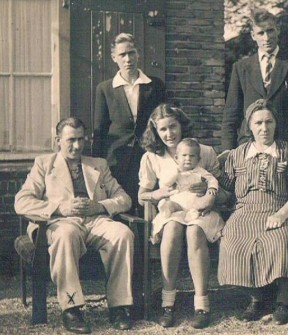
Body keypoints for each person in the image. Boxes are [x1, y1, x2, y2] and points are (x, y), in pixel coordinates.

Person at [14, 117, 134, 334]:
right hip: (60, 222)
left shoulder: (98, 165)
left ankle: (119, 306)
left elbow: (124, 199)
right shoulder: (44, 164)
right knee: (66, 234)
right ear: (58, 140)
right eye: (71, 140)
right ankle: (72, 308)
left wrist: (99, 206)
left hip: (96, 221)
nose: (77, 146)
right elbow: (22, 202)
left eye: (81, 140)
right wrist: (60, 208)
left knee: (122, 233)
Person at [138, 103, 224, 329]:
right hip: (173, 210)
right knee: (173, 229)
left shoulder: (203, 151)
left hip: (199, 209)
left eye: (173, 127)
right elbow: (142, 195)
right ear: (155, 131)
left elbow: (221, 190)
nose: (169, 134)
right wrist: (159, 193)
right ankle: (168, 303)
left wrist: (207, 191)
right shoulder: (152, 157)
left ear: (182, 125)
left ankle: (201, 305)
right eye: (163, 129)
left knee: (195, 232)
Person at [218, 99, 288, 326]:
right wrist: (203, 189)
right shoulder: (237, 155)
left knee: (283, 240)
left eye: (269, 122)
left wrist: (281, 215)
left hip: (280, 208)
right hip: (245, 210)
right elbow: (225, 193)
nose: (264, 128)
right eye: (258, 123)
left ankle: (283, 300)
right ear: (249, 125)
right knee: (233, 242)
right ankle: (257, 298)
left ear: (276, 124)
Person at [93, 32, 166, 213]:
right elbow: (100, 129)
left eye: (131, 53)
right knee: (119, 207)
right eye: (122, 55)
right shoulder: (105, 89)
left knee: (147, 206)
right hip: (117, 158)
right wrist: (97, 164)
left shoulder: (154, 85)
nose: (128, 59)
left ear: (138, 54)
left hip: (148, 155)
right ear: (114, 58)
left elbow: (164, 121)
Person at [220, 8, 288, 150]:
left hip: (286, 145)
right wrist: (228, 153)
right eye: (261, 33)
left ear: (278, 30)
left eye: (270, 31)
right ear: (253, 35)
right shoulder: (241, 68)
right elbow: (231, 115)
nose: (266, 38)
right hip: (250, 146)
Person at [149, 138, 222, 243]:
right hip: (178, 203)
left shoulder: (200, 171)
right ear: (176, 158)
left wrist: (211, 188)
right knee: (170, 204)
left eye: (192, 156)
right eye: (184, 156)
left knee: (199, 205)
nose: (188, 159)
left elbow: (212, 180)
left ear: (198, 159)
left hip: (194, 202)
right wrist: (176, 172)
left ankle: (193, 213)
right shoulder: (173, 172)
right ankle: (166, 209)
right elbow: (165, 183)